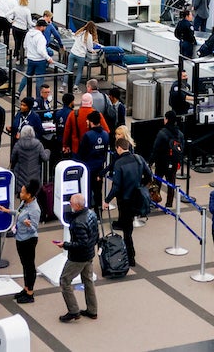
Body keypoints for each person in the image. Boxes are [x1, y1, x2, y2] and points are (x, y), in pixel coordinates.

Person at [107, 138, 148, 271]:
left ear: (119, 148)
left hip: (124, 200)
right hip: (137, 198)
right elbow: (149, 175)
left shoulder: (119, 163)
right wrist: (140, 185)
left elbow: (116, 186)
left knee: (127, 230)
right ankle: (131, 255)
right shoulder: (138, 158)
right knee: (129, 227)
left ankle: (130, 256)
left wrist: (107, 200)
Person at [58, 193, 99, 322]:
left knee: (65, 280)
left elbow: (81, 243)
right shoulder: (91, 214)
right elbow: (94, 236)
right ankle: (92, 310)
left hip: (78, 257)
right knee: (88, 281)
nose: (69, 205)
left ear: (76, 205)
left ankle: (73, 310)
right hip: (89, 254)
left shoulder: (78, 222)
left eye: (71, 203)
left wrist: (65, 245)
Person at [0, 180, 42, 304]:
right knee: (24, 264)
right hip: (20, 238)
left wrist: (28, 225)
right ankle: (26, 288)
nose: (20, 193)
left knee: (29, 266)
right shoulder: (24, 203)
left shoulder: (35, 209)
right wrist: (8, 211)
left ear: (29, 195)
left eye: (23, 192)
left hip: (28, 240)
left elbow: (34, 228)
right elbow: (19, 213)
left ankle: (30, 293)